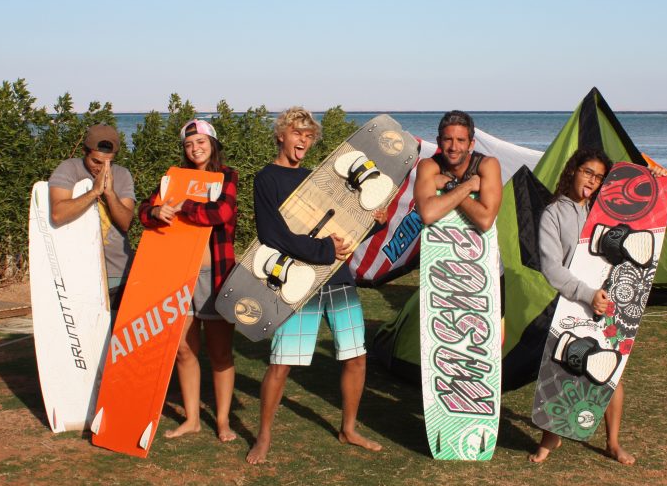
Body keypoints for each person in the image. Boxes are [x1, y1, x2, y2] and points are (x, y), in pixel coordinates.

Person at [246, 107, 386, 464]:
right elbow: (272, 235)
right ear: (281, 135)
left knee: (356, 357)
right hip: (296, 278)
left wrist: (377, 223)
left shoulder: (317, 178)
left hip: (337, 277)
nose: (303, 143)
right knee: (282, 363)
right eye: (297, 134)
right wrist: (324, 250)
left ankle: (349, 428)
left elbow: (346, 225)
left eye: (309, 137)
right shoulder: (266, 180)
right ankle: (263, 436)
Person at [529, 149, 665, 465]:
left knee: (611, 372)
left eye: (599, 176)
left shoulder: (605, 212)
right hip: (573, 302)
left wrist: (650, 182)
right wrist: (587, 294)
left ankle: (613, 443)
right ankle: (551, 438)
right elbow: (552, 268)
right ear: (573, 171)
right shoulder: (553, 214)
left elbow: (642, 219)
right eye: (587, 172)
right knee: (564, 370)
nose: (592, 180)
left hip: (610, 303)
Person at [138, 119, 239, 443]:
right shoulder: (173, 180)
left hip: (217, 276)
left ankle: (222, 421)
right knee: (182, 350)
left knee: (221, 352)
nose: (195, 148)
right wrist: (157, 213)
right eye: (188, 144)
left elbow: (221, 213)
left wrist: (184, 207)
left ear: (213, 144)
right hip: (178, 274)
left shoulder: (227, 177)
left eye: (201, 142)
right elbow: (144, 210)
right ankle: (193, 419)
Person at [48, 124, 135, 311]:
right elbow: (57, 214)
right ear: (84, 152)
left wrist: (110, 193)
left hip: (118, 273)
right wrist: (94, 192)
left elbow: (126, 223)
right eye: (96, 162)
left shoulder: (122, 175)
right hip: (79, 272)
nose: (102, 168)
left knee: (115, 337)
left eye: (108, 162)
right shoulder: (68, 169)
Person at [412, 110, 502, 232]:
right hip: (439, 247)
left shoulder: (487, 165)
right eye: (448, 139)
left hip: (479, 249)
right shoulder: (428, 165)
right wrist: (467, 186)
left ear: (471, 144)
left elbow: (485, 221)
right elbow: (427, 215)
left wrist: (449, 186)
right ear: (439, 142)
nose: (453, 147)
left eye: (460, 140)